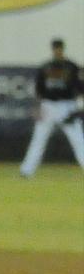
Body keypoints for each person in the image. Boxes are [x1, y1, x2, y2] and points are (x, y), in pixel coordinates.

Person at [20, 37, 84, 177]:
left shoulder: (71, 66)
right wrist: (37, 107)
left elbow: (80, 88)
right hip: (48, 106)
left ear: (62, 49)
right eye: (55, 48)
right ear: (53, 50)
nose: (57, 51)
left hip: (67, 105)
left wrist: (78, 108)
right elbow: (39, 89)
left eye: (59, 48)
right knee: (39, 139)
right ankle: (27, 170)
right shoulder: (45, 67)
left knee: (78, 139)